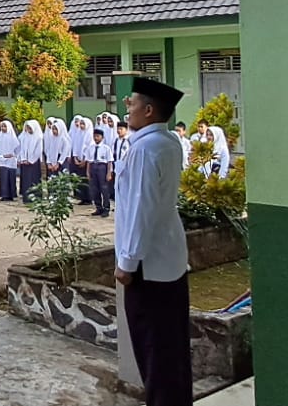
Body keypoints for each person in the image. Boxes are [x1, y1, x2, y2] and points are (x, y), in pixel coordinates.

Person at [114, 77, 191, 406]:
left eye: (131, 102)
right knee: (172, 350)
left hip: (149, 266)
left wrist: (127, 262)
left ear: (148, 110)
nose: (126, 107)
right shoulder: (168, 141)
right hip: (169, 260)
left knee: (155, 352)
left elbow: (139, 208)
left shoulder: (145, 149)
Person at [87, 129, 114, 218]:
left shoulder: (106, 148)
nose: (96, 138)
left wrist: (109, 173)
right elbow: (89, 161)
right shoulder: (90, 147)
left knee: (104, 188)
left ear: (102, 137)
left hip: (102, 167)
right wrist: (88, 172)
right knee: (95, 189)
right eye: (94, 136)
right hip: (93, 167)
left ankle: (106, 208)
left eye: (98, 136)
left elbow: (109, 161)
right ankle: (98, 208)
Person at [17, 119, 44, 203]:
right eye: (27, 128)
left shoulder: (38, 137)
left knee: (34, 179)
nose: (28, 130)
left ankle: (36, 197)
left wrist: (31, 160)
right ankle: (27, 198)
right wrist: (22, 159)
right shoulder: (24, 137)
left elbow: (38, 151)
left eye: (30, 128)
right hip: (25, 163)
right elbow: (21, 149)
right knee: (26, 180)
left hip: (34, 163)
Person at [0, 120, 19, 202]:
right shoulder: (0, 137)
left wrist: (14, 156)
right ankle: (4, 195)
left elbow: (17, 149)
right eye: (2, 126)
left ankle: (11, 195)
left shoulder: (13, 138)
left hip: (11, 160)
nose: (3, 128)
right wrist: (2, 156)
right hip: (2, 160)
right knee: (3, 178)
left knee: (11, 178)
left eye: (5, 126)